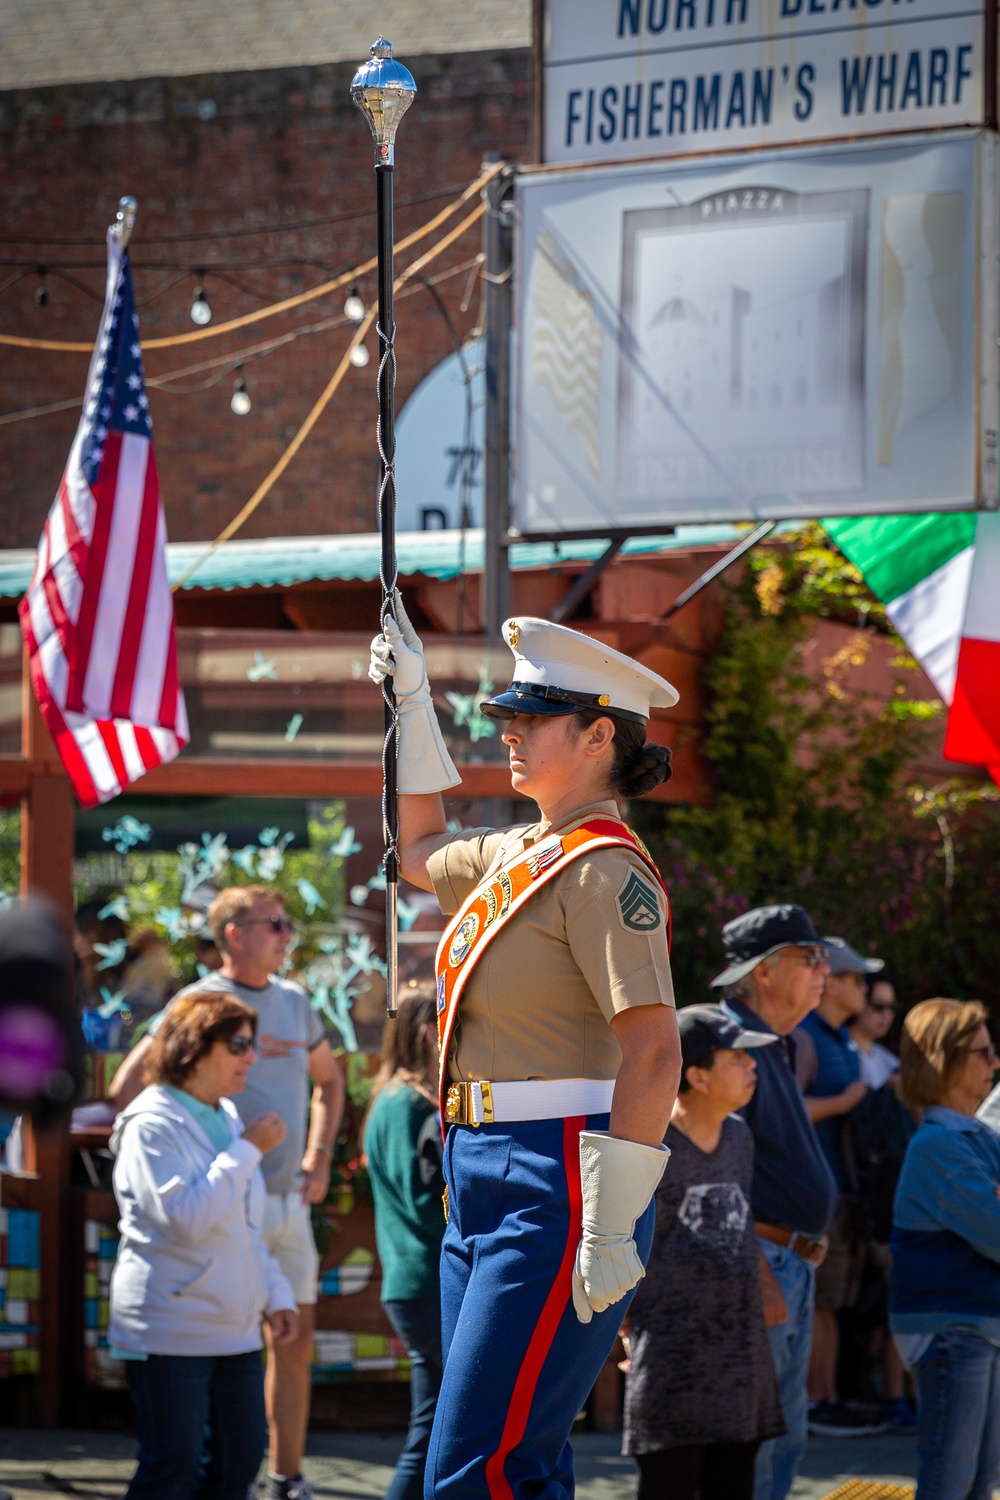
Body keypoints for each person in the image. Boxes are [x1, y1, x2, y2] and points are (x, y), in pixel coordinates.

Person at [369, 602, 682, 1500]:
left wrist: (612, 1216)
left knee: (480, 1468)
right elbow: (421, 846)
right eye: (508, 717)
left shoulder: (602, 869)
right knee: (496, 1459)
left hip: (560, 1177)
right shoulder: (525, 851)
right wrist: (413, 703)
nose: (509, 733)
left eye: (531, 719)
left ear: (595, 736)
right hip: (482, 1175)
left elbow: (655, 1054)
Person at [109, 886, 345, 1500]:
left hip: (282, 1203)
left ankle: (287, 1476)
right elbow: (130, 1082)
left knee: (290, 1346)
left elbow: (331, 1083)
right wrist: (157, 1137)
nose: (288, 934)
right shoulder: (197, 1006)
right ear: (234, 933)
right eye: (276, 923)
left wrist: (318, 1158)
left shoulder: (293, 1001)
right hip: (213, 1217)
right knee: (178, 1459)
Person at [109, 990, 298, 1499]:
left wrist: (275, 1293)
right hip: (169, 1329)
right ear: (195, 1047)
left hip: (232, 1329)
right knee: (171, 1471)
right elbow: (186, 1219)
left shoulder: (228, 1116)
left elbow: (241, 1227)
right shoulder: (150, 1123)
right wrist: (247, 1150)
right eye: (238, 1044)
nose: (251, 1058)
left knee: (238, 1467)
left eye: (252, 1045)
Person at [623, 1004, 786, 1500]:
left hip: (741, 1369)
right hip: (670, 1369)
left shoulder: (740, 1136)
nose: (752, 1066)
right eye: (736, 1057)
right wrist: (621, 1330)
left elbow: (738, 1226)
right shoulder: (647, 1145)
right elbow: (618, 1241)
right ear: (696, 1074)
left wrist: (767, 1288)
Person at [712, 904, 838, 1500]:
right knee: (755, 1447)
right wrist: (755, 1265)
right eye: (810, 958)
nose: (825, 970)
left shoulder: (773, 1043)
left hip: (788, 1262)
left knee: (781, 1441)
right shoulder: (730, 1041)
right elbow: (711, 1172)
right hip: (761, 1261)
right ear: (763, 971)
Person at [890, 998, 1000, 1500]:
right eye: (983, 1052)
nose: (995, 1063)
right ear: (945, 1061)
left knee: (975, 1483)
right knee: (951, 1484)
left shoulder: (975, 1139)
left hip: (973, 1327)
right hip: (952, 1329)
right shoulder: (939, 1145)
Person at [794, 936, 885, 1435]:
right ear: (830, 982)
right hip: (814, 1192)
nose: (864, 989)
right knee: (819, 1299)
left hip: (843, 1190)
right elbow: (786, 1114)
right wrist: (845, 1102)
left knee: (833, 1302)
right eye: (856, 979)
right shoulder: (804, 1035)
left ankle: (826, 1396)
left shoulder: (838, 1037)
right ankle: (813, 1401)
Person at [363, 981, 446, 1500]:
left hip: (416, 1279)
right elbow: (428, 1200)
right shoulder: (411, 1105)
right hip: (426, 1278)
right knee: (432, 1429)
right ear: (425, 1033)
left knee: (435, 1422)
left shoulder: (391, 1100)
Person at [850, 974, 901, 1090]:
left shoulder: (889, 1061)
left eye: (892, 1007)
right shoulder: (837, 1051)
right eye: (878, 1006)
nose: (887, 1015)